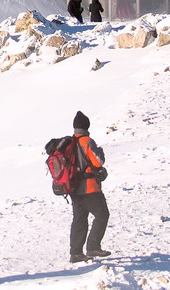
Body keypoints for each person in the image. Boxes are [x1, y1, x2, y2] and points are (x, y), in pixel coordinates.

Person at [69, 111, 110, 263]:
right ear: (87, 126)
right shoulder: (87, 141)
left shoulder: (69, 143)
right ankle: (93, 246)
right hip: (89, 187)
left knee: (79, 219)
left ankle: (76, 253)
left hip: (73, 188)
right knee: (102, 215)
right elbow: (98, 161)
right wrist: (100, 152)